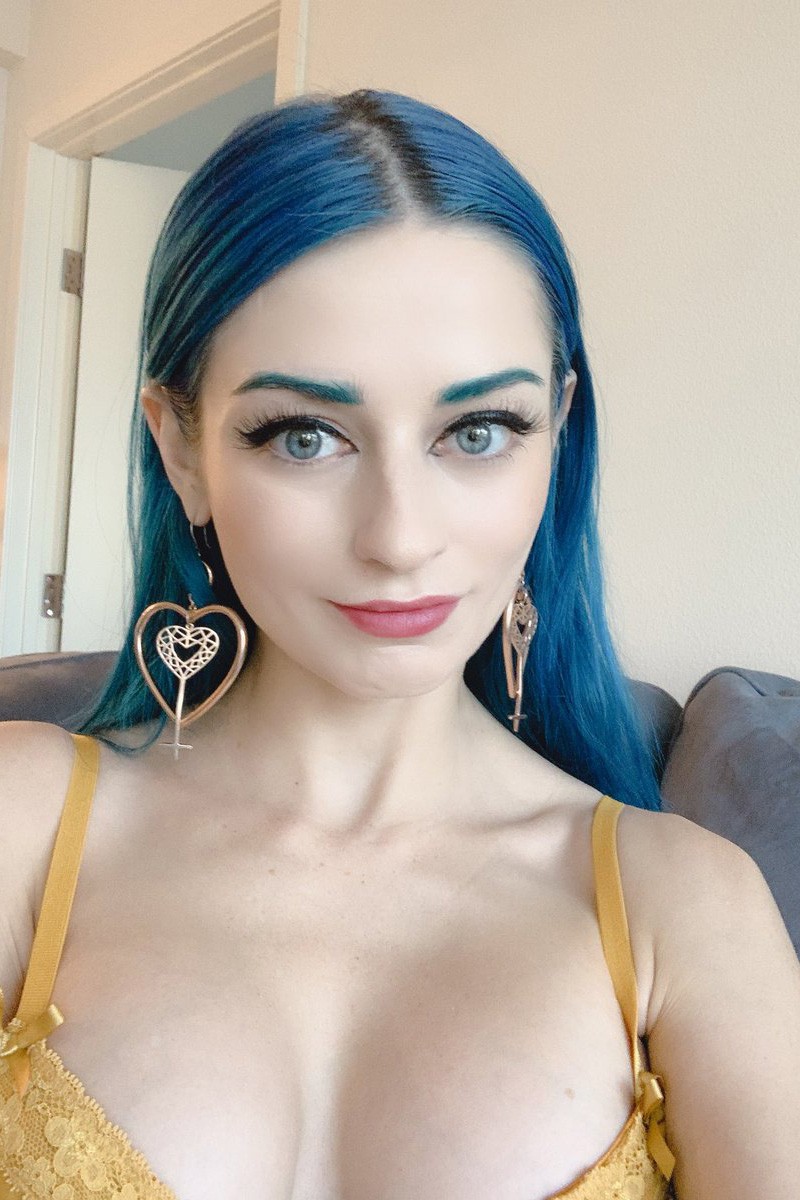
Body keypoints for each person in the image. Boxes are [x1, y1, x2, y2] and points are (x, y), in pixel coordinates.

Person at [1, 88, 798, 1200]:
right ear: (181, 448)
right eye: (305, 436)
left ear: (556, 433)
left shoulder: (685, 908)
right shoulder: (26, 822)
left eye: (478, 430)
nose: (398, 537)